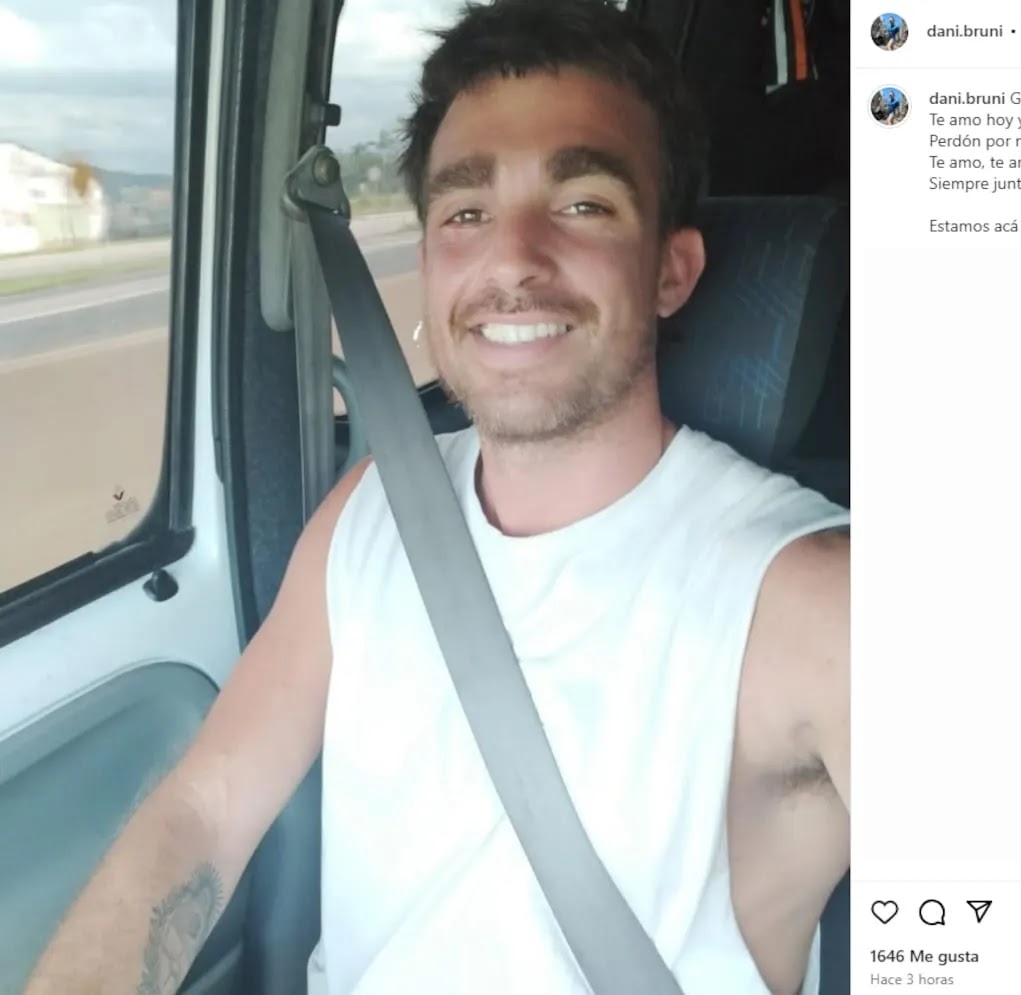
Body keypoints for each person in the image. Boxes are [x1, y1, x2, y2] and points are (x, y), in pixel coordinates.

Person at [22, 1, 850, 994]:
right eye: (465, 214)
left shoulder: (812, 600)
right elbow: (201, 812)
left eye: (584, 203)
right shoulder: (370, 509)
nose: (512, 259)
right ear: (428, 266)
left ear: (671, 271)